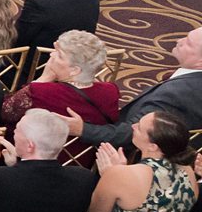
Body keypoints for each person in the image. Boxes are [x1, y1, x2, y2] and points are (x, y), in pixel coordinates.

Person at [70, 25, 202, 151]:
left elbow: (131, 135)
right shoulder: (189, 84)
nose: (179, 40)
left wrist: (82, 129)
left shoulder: (177, 93)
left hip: (131, 162)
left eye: (188, 43)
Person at [5, 30, 121, 150]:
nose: (51, 55)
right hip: (84, 161)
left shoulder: (39, 91)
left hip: (34, 155)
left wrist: (43, 78)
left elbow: (6, 112)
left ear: (75, 70)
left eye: (59, 55)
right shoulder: (111, 91)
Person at [0, 109, 99, 212]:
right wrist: (15, 165)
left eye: (17, 130)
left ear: (30, 146)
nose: (14, 134)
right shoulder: (84, 178)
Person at [88, 112, 198, 212]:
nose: (133, 126)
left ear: (153, 146)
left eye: (139, 127)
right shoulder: (188, 171)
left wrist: (108, 176)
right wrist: (119, 172)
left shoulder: (118, 174)